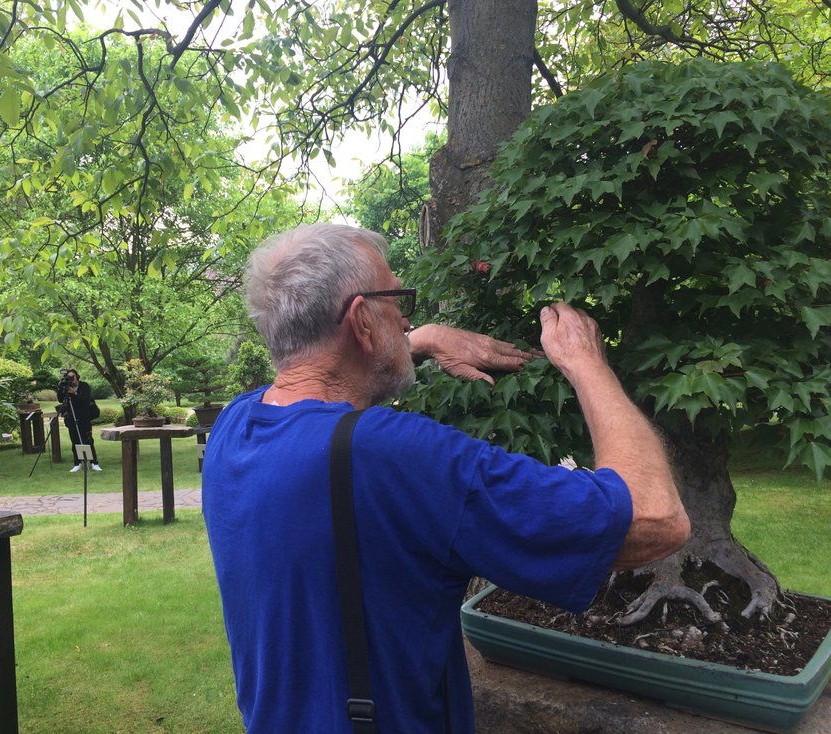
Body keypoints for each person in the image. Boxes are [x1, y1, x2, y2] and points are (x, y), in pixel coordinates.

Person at [202, 223, 690, 733]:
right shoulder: (395, 456)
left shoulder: (235, 426)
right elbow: (654, 516)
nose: (407, 316)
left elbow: (322, 373)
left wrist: (422, 339)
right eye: (397, 300)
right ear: (361, 321)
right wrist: (587, 362)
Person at [56, 369, 101, 472]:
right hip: (72, 417)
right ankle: (77, 462)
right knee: (75, 441)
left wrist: (74, 393)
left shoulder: (84, 386)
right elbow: (60, 399)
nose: (71, 379)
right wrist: (60, 389)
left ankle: (94, 462)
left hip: (84, 417)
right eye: (69, 377)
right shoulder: (66, 387)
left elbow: (85, 399)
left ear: (77, 376)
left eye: (73, 377)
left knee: (88, 440)